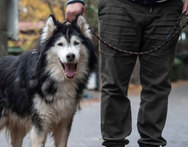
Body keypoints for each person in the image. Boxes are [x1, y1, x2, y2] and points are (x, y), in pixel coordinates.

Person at [66, 0, 188, 147]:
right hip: (118, 5)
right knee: (113, 83)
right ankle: (114, 143)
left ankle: (151, 143)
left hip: (167, 8)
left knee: (158, 85)